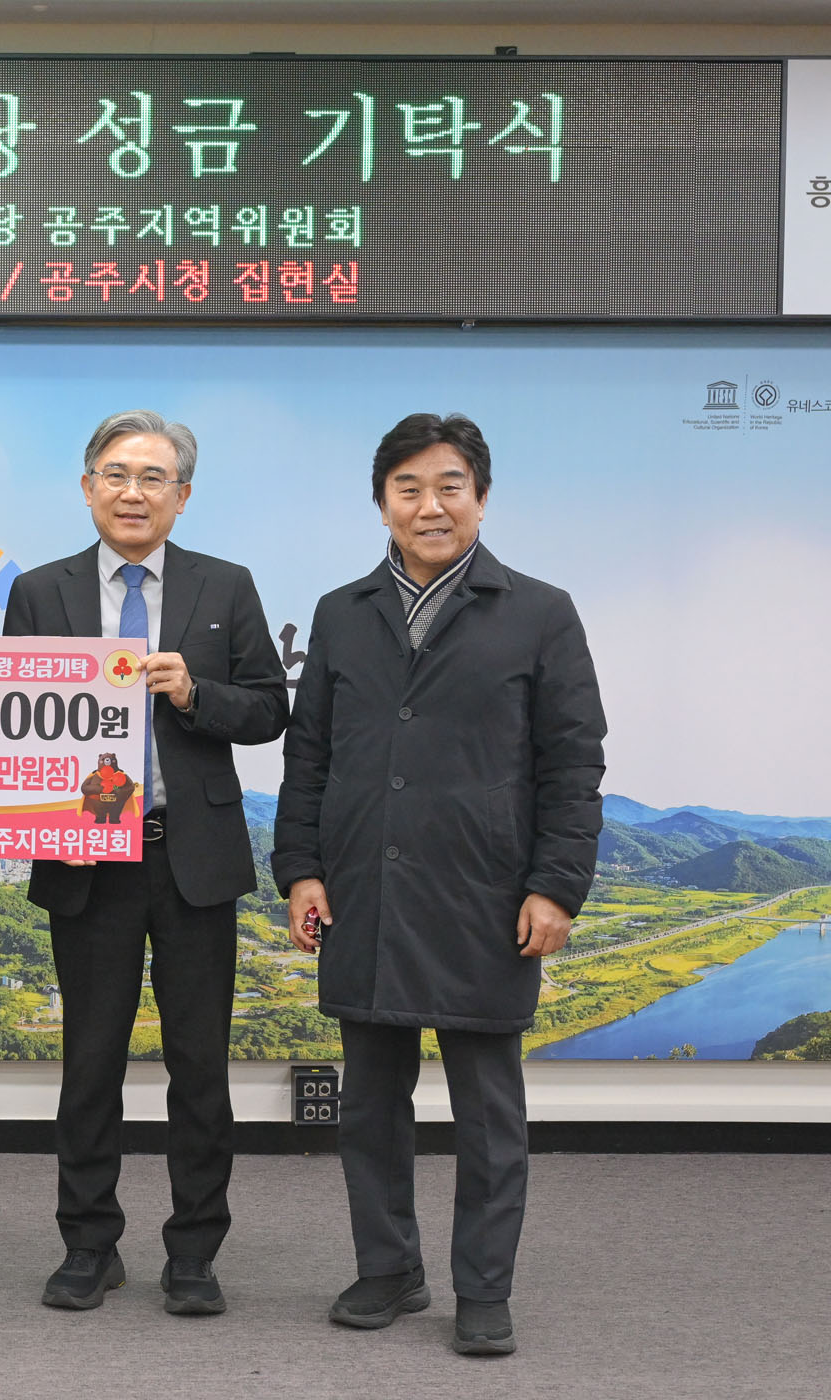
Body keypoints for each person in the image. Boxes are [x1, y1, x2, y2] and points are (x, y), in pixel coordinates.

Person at [273, 412, 605, 1357]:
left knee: (488, 1114)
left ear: (481, 499)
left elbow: (573, 764)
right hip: (365, 892)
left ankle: (484, 1289)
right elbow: (309, 757)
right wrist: (300, 869)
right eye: (408, 488)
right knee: (369, 1109)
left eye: (449, 486)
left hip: (485, 899)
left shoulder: (541, 612)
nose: (430, 506)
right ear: (381, 503)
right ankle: (387, 1270)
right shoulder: (342, 612)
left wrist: (557, 886)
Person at [3, 410, 288, 1315]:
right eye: (117, 474)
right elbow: (10, 722)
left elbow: (269, 709)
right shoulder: (40, 592)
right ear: (88, 487)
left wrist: (195, 693)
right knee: (90, 1064)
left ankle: (194, 1252)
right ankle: (88, 1245)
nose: (134, 492)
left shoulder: (225, 585)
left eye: (154, 477)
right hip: (89, 857)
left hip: (191, 857)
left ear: (183, 495)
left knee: (199, 1066)